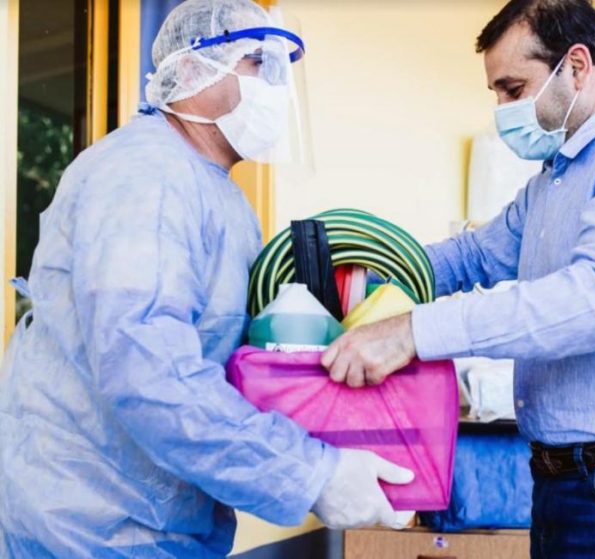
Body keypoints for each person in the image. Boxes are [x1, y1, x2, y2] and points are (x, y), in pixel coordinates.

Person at [0, 1, 413, 557]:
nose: (275, 88)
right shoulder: (146, 176)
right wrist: (312, 474)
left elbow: (225, 360)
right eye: (258, 65)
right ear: (192, 69)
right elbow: (147, 372)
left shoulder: (220, 197)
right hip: (89, 525)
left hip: (163, 518)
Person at [322, 0, 595, 557]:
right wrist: (364, 275)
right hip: (561, 480)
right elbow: (472, 258)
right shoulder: (553, 180)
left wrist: (413, 331)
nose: (502, 110)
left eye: (513, 89)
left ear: (576, 66)